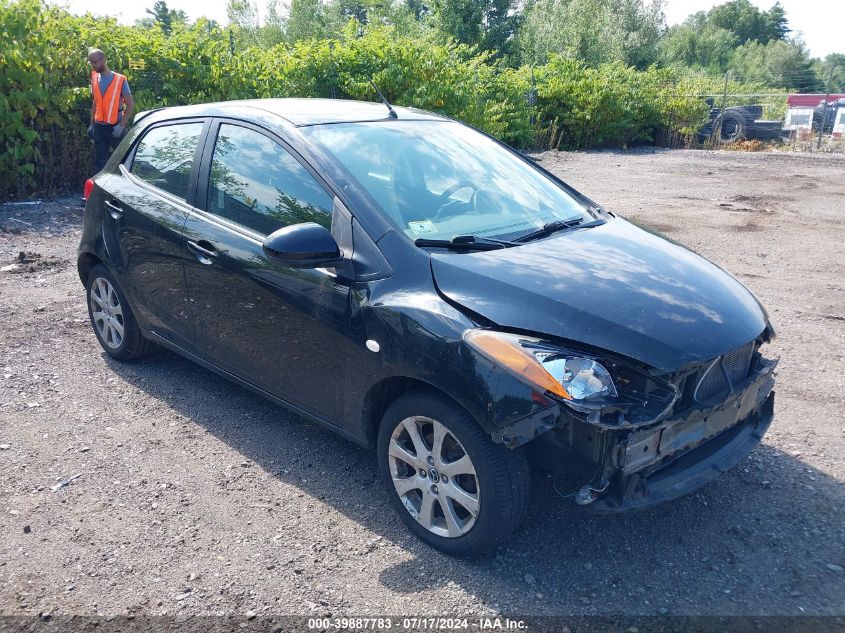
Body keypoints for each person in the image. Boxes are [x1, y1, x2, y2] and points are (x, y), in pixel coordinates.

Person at [87, 48, 134, 173]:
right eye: (90, 62)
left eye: (94, 62)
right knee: (100, 164)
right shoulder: (94, 79)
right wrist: (92, 124)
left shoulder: (120, 80)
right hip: (99, 129)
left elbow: (130, 104)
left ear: (103, 61)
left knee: (123, 161)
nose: (92, 65)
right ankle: (100, 190)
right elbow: (95, 102)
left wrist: (121, 126)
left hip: (115, 129)